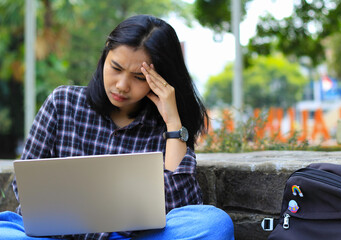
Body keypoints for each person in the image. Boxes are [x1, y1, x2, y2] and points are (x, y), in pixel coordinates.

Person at [4, 15, 234, 240]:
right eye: (115, 68)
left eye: (139, 77)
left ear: (160, 79)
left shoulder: (165, 126)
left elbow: (181, 209)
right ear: (105, 54)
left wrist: (173, 124)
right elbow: (26, 188)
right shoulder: (62, 102)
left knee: (214, 224)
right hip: (59, 235)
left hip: (131, 236)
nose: (122, 86)